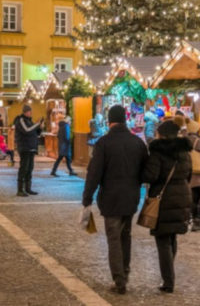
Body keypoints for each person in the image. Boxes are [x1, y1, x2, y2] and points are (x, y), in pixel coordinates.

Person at [82, 105, 148, 295]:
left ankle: (119, 281)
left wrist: (87, 197)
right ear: (125, 120)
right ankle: (124, 273)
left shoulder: (104, 143)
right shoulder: (137, 143)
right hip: (131, 198)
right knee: (125, 236)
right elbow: (146, 171)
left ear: (110, 121)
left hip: (111, 198)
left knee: (113, 239)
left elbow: (94, 173)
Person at [142, 120, 192, 294]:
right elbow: (189, 173)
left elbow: (151, 175)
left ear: (161, 134)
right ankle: (169, 274)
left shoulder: (158, 151)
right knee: (172, 237)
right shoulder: (185, 151)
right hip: (183, 195)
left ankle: (168, 281)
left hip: (164, 198)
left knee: (162, 240)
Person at [13, 105, 43, 197]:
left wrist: (40, 128)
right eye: (29, 111)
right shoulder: (20, 120)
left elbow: (35, 133)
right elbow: (27, 130)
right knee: (24, 168)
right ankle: (20, 189)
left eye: (31, 111)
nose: (30, 113)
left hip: (31, 147)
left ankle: (28, 188)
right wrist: (37, 124)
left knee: (30, 168)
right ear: (25, 112)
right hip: (24, 147)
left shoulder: (29, 121)